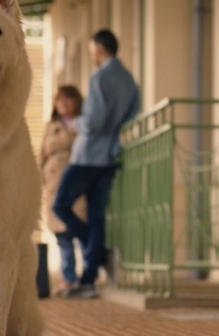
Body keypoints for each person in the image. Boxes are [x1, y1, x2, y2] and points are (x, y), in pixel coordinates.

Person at [53, 29, 140, 299]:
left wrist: (75, 123)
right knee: (96, 217)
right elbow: (132, 116)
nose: (92, 57)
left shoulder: (100, 76)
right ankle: (89, 278)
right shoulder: (129, 81)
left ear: (100, 49)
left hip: (88, 155)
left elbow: (92, 121)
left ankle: (97, 254)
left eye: (93, 52)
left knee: (60, 206)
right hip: (110, 156)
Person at [38, 85, 88, 295]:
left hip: (77, 182)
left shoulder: (84, 123)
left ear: (77, 102)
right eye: (60, 101)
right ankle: (68, 278)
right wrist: (43, 179)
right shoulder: (51, 126)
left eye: (68, 100)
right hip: (53, 183)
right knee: (62, 236)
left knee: (80, 230)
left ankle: (87, 277)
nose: (64, 104)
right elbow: (41, 153)